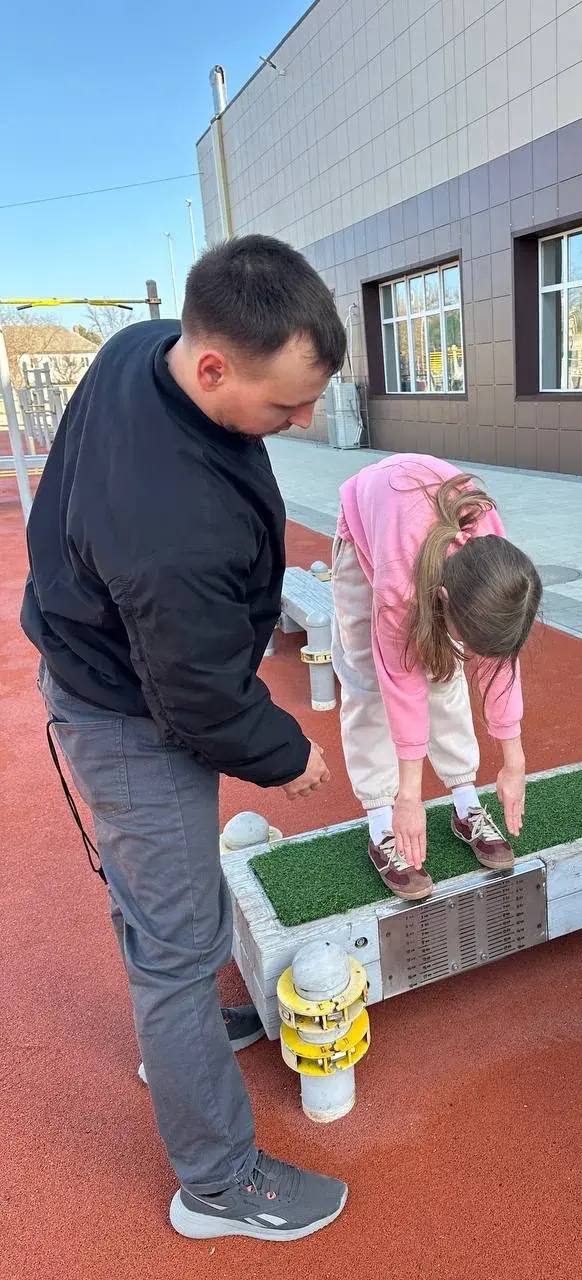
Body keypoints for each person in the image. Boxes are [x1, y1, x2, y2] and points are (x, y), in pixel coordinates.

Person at [22, 235, 351, 1242]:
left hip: (102, 660)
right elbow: (198, 699)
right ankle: (217, 1183)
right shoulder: (172, 524)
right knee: (174, 948)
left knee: (166, 903)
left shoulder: (142, 346)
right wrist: (287, 753)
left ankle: (188, 1035)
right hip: (127, 710)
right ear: (211, 366)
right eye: (286, 406)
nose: (302, 423)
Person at [331, 453, 542, 900]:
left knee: (445, 669)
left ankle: (465, 804)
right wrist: (408, 796)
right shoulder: (399, 588)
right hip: (371, 535)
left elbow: (499, 660)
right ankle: (381, 823)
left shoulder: (492, 559)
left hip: (420, 532)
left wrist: (514, 761)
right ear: (443, 597)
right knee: (368, 684)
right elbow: (400, 678)